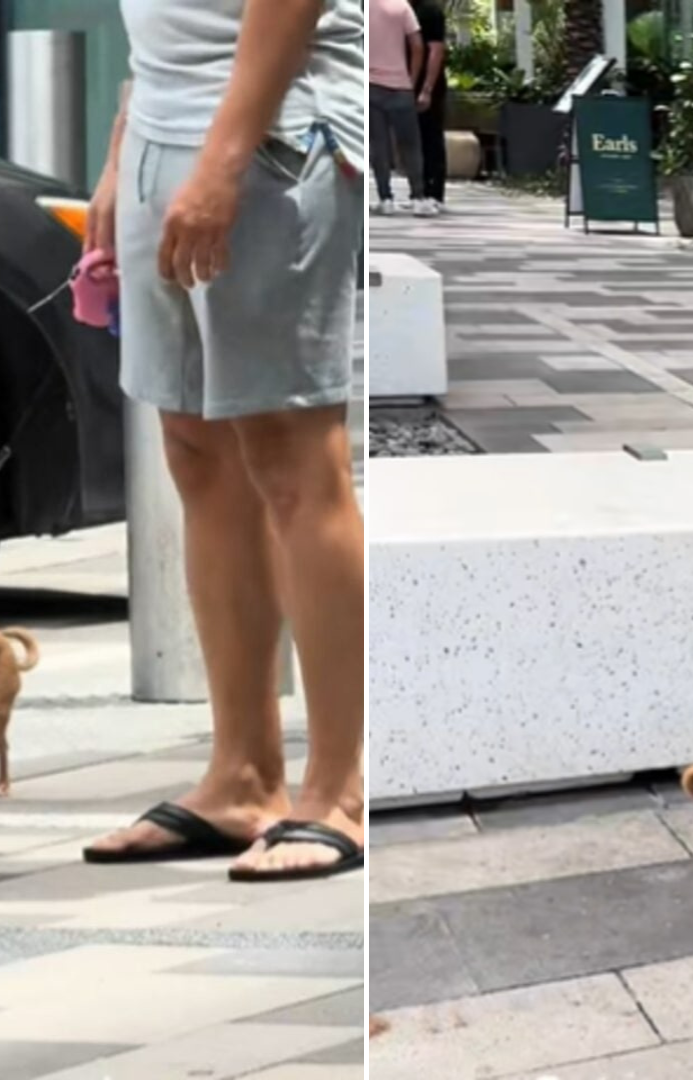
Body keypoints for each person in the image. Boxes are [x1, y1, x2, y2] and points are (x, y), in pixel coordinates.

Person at [80, 0, 367, 882]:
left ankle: (341, 791)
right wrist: (123, 152)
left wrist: (222, 160)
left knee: (291, 451)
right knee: (195, 448)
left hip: (273, 137)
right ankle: (241, 778)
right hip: (164, 130)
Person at [368, 0, 425, 215]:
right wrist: (411, 80)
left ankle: (386, 198)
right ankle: (417, 196)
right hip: (401, 86)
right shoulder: (402, 7)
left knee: (379, 145)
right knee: (410, 145)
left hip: (371, 85)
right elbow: (418, 46)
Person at [410, 0, 449, 214]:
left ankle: (435, 193)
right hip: (407, 81)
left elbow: (436, 50)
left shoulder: (430, 12)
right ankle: (419, 191)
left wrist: (427, 89)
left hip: (428, 83)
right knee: (414, 138)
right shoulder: (402, 9)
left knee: (431, 136)